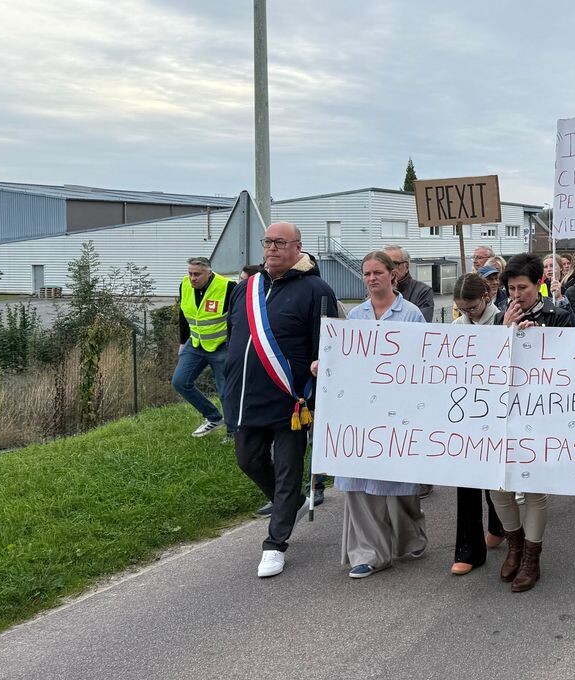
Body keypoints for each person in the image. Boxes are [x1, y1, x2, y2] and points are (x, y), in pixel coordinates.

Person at [224, 222, 339, 578]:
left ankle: (275, 544)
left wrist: (317, 392)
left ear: (296, 247)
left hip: (291, 401)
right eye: (268, 242)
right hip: (247, 396)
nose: (272, 248)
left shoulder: (316, 289)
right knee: (248, 459)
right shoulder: (246, 288)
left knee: (289, 472)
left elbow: (327, 346)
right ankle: (288, 507)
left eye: (280, 242)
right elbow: (234, 335)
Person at [323, 250, 428, 578]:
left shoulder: (410, 315)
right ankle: (369, 554)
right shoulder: (356, 317)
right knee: (359, 481)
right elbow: (346, 361)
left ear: (392, 275)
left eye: (377, 273)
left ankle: (409, 537)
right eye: (366, 274)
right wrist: (325, 365)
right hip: (362, 413)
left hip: (399, 411)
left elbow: (425, 362)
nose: (371, 278)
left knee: (398, 485)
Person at [490, 253, 575, 592]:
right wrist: (505, 332)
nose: (516, 294)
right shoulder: (500, 318)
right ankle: (512, 547)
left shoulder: (559, 317)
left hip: (542, 416)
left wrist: (539, 337)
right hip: (503, 413)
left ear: (539, 283)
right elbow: (486, 364)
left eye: (523, 287)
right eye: (511, 288)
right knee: (497, 486)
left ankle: (531, 557)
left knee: (533, 487)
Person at [449, 273, 508, 574]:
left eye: (472, 307)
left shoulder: (503, 321)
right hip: (466, 413)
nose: (467, 313)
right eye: (461, 308)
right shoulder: (456, 328)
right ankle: (469, 549)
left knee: (496, 479)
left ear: (486, 297)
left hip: (500, 412)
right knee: (467, 480)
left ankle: (499, 525)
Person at [173, 256, 237, 439]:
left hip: (222, 347)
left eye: (197, 274)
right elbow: (183, 315)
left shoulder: (227, 287)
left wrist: (234, 345)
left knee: (226, 391)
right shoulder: (184, 285)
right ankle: (214, 417)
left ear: (209, 273)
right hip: (195, 344)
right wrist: (182, 342)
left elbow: (237, 319)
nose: (193, 278)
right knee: (180, 382)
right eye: (190, 273)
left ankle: (233, 432)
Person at [383, 245, 434, 323]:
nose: (389, 269)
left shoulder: (423, 292)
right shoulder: (376, 291)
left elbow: (422, 326)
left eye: (394, 264)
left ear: (406, 267)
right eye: (384, 264)